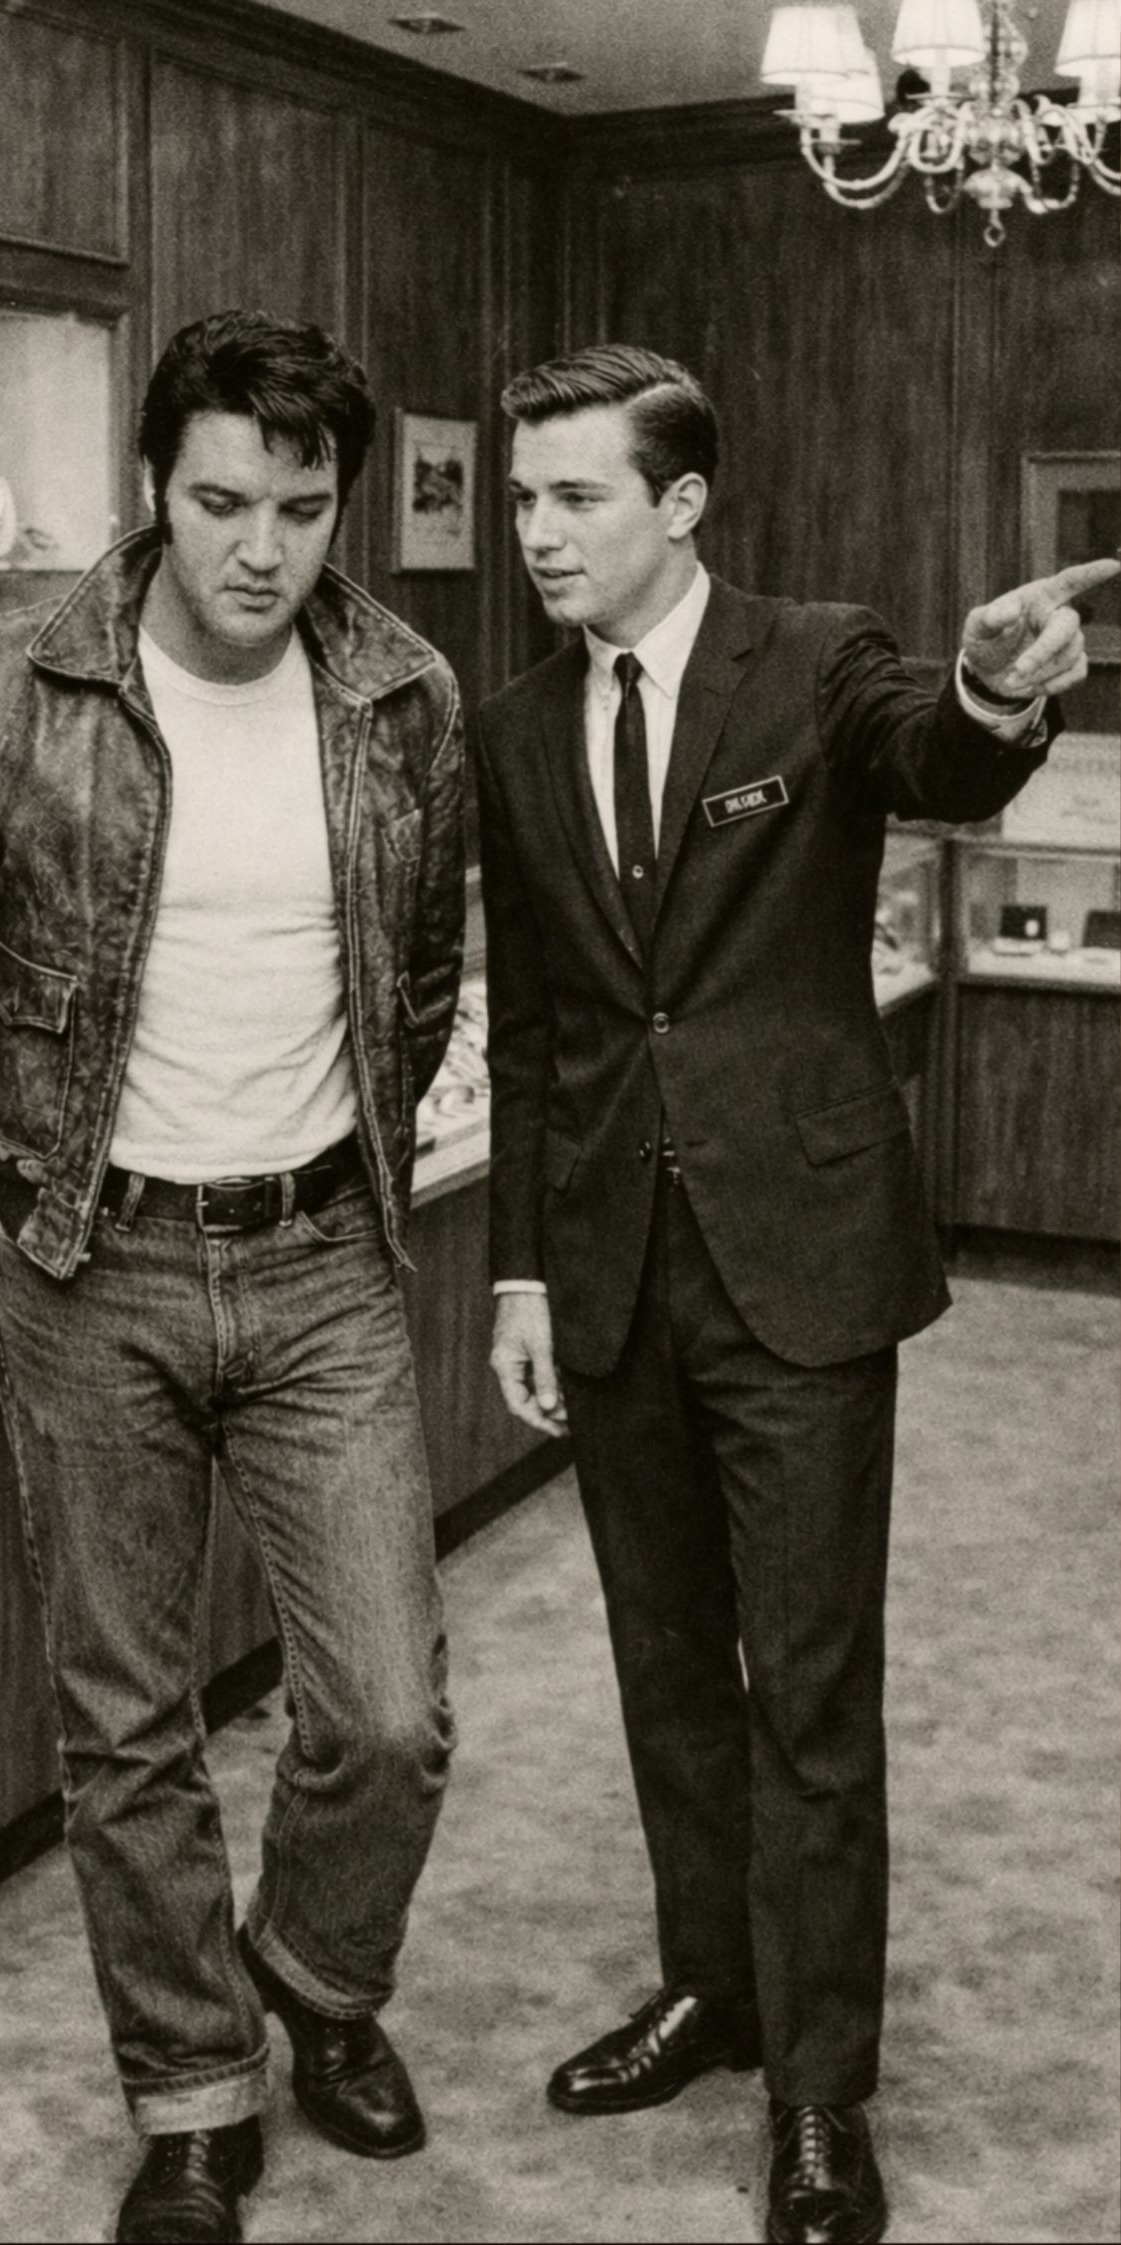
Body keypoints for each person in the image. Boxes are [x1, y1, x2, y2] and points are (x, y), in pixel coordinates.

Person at [0, 310, 465, 2245]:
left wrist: (365, 1163)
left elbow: (421, 971)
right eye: (220, 503)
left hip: (324, 1260)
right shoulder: (0, 681)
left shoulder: (402, 690)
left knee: (386, 1713)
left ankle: (315, 1980)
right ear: (154, 489)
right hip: (87, 1263)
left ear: (339, 506)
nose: (261, 548)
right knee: (124, 1719)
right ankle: (192, 2093)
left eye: (300, 508)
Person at [477, 343, 1115, 2245]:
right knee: (667, 1668)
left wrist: (992, 690)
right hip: (611, 1272)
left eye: (574, 497)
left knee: (809, 1698)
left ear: (678, 505)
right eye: (519, 500)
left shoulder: (815, 659)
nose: (535, 535)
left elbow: (938, 757)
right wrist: (518, 1266)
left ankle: (820, 2091)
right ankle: (713, 1986)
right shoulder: (515, 723)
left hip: (801, 1271)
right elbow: (535, 1032)